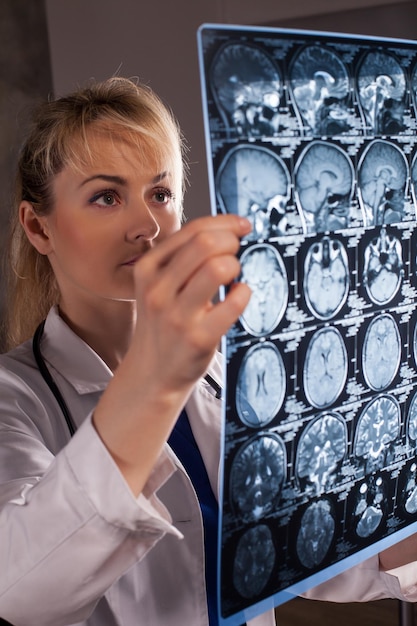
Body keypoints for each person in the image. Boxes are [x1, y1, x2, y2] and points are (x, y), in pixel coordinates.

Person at [0, 76, 416, 626]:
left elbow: (315, 548)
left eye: (160, 193)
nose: (147, 225)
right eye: (106, 196)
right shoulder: (16, 398)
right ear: (38, 226)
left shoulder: (227, 370)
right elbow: (21, 591)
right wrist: (155, 381)